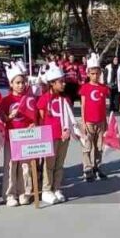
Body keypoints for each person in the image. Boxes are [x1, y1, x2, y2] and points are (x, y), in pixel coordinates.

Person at [0, 62, 38, 207]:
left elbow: (34, 116)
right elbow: (2, 118)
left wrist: (33, 124)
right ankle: (10, 194)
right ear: (11, 84)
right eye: (17, 83)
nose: (21, 85)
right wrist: (9, 116)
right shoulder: (6, 100)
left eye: (22, 82)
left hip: (25, 137)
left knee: (25, 166)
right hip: (11, 138)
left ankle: (25, 193)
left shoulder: (29, 99)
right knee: (11, 166)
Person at [38, 63, 74, 205]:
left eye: (64, 81)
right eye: (60, 82)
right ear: (52, 83)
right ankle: (46, 190)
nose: (63, 84)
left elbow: (70, 117)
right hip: (49, 137)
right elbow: (42, 118)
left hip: (64, 135)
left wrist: (68, 130)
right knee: (49, 165)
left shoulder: (66, 99)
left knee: (60, 164)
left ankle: (57, 187)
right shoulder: (44, 99)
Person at [79, 53, 110, 182]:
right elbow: (83, 105)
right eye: (92, 73)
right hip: (89, 122)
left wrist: (106, 121)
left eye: (97, 73)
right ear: (88, 74)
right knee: (87, 146)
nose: (95, 76)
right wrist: (83, 122)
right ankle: (87, 168)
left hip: (101, 121)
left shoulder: (103, 88)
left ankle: (98, 166)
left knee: (99, 146)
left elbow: (104, 106)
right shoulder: (85, 88)